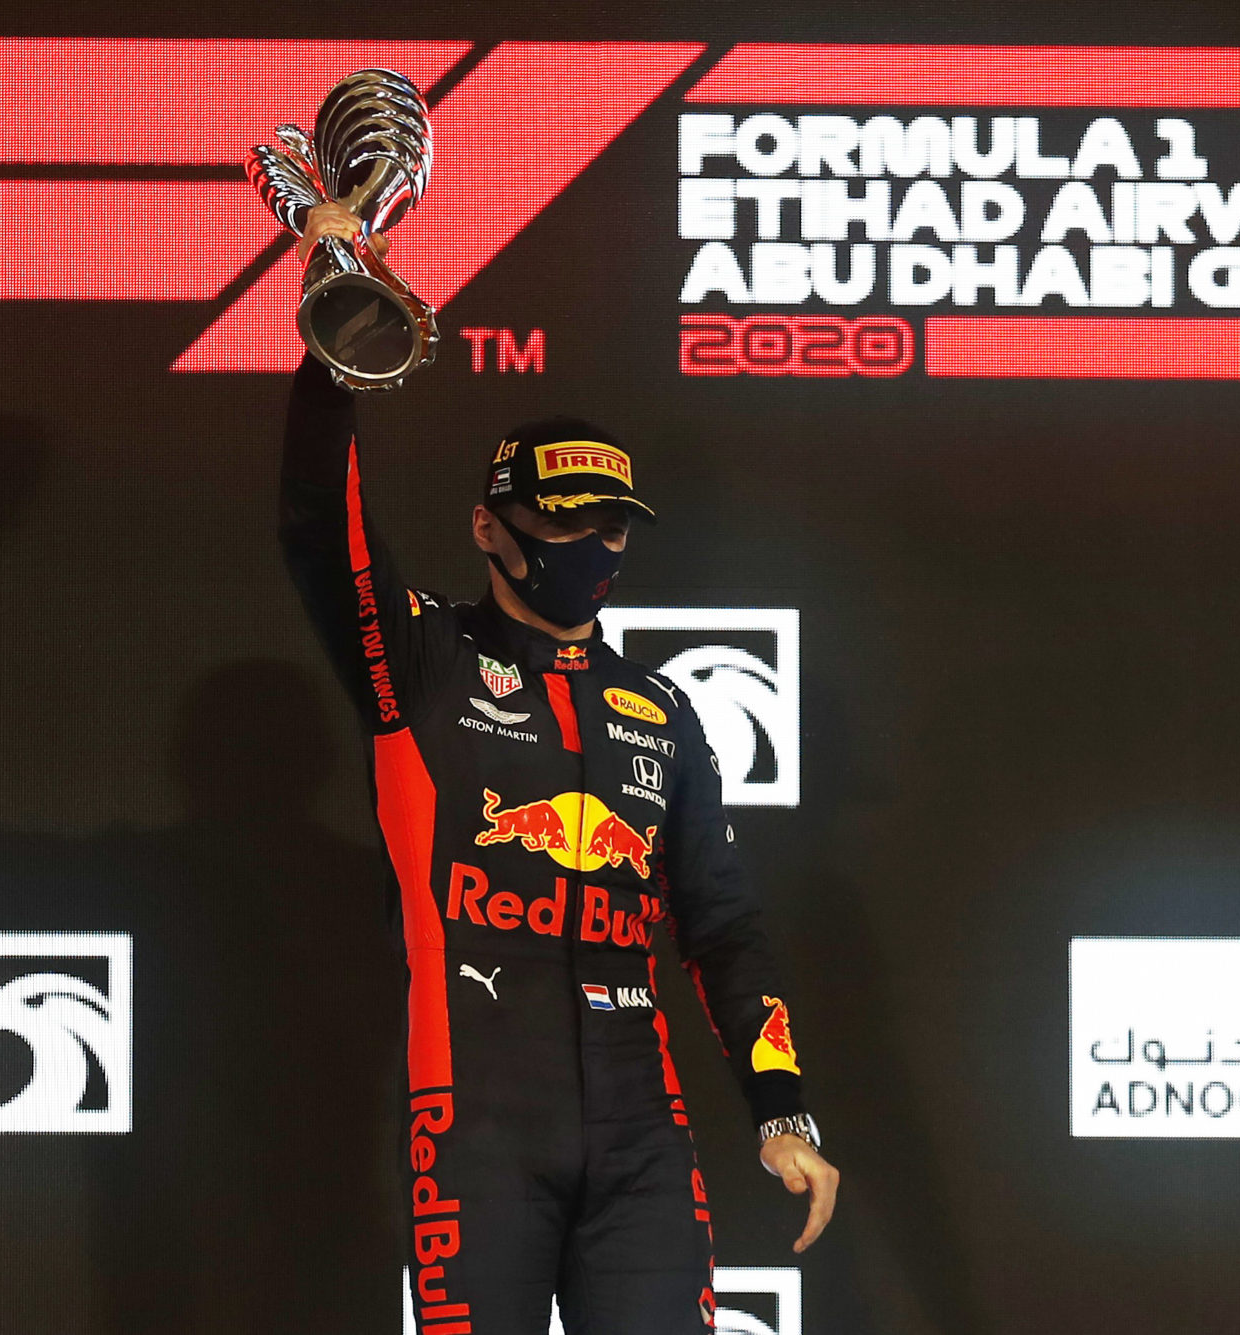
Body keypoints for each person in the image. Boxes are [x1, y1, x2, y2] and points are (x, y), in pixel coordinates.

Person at [279, 202, 837, 1335]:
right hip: (474, 1124)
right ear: (491, 528)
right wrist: (336, 339)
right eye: (562, 521)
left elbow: (723, 928)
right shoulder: (422, 661)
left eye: (612, 527)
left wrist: (783, 1111)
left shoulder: (661, 711)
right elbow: (312, 525)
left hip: (642, 1131)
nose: (591, 548)